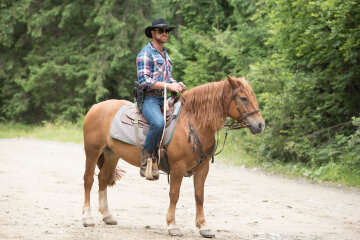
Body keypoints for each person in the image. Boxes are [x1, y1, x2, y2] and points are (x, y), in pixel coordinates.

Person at [136, 18, 186, 179]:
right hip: (150, 98)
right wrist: (168, 86)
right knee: (158, 123)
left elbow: (167, 77)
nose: (165, 34)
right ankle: (146, 159)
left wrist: (176, 84)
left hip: (165, 97)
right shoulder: (145, 54)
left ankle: (181, 159)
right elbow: (144, 80)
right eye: (160, 31)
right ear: (152, 33)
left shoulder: (165, 54)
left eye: (166, 31)